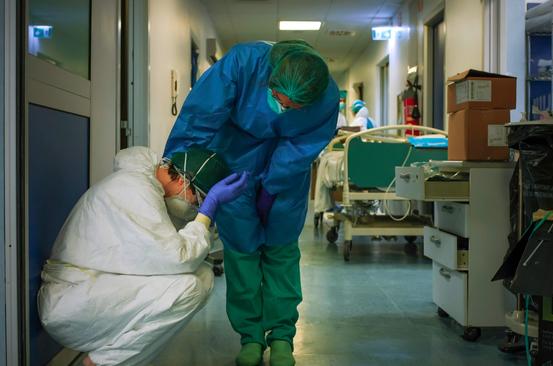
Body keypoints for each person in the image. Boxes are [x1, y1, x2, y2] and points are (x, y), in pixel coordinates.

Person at [164, 40, 339, 366]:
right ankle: (250, 336)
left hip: (287, 172)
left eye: (293, 108)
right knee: (241, 250)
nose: (282, 110)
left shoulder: (326, 96)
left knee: (281, 250)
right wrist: (181, 166)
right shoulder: (245, 63)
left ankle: (283, 335)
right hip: (234, 157)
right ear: (269, 81)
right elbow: (201, 114)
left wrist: (272, 187)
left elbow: (302, 147)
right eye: (277, 100)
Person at [38, 146, 248, 366]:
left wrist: (207, 216)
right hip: (69, 301)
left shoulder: (148, 188)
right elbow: (178, 258)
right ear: (183, 181)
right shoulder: (134, 190)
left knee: (202, 275)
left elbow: (178, 246)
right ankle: (102, 363)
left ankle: (105, 360)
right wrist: (207, 212)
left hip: (90, 287)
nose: (195, 208)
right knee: (188, 288)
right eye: (197, 201)